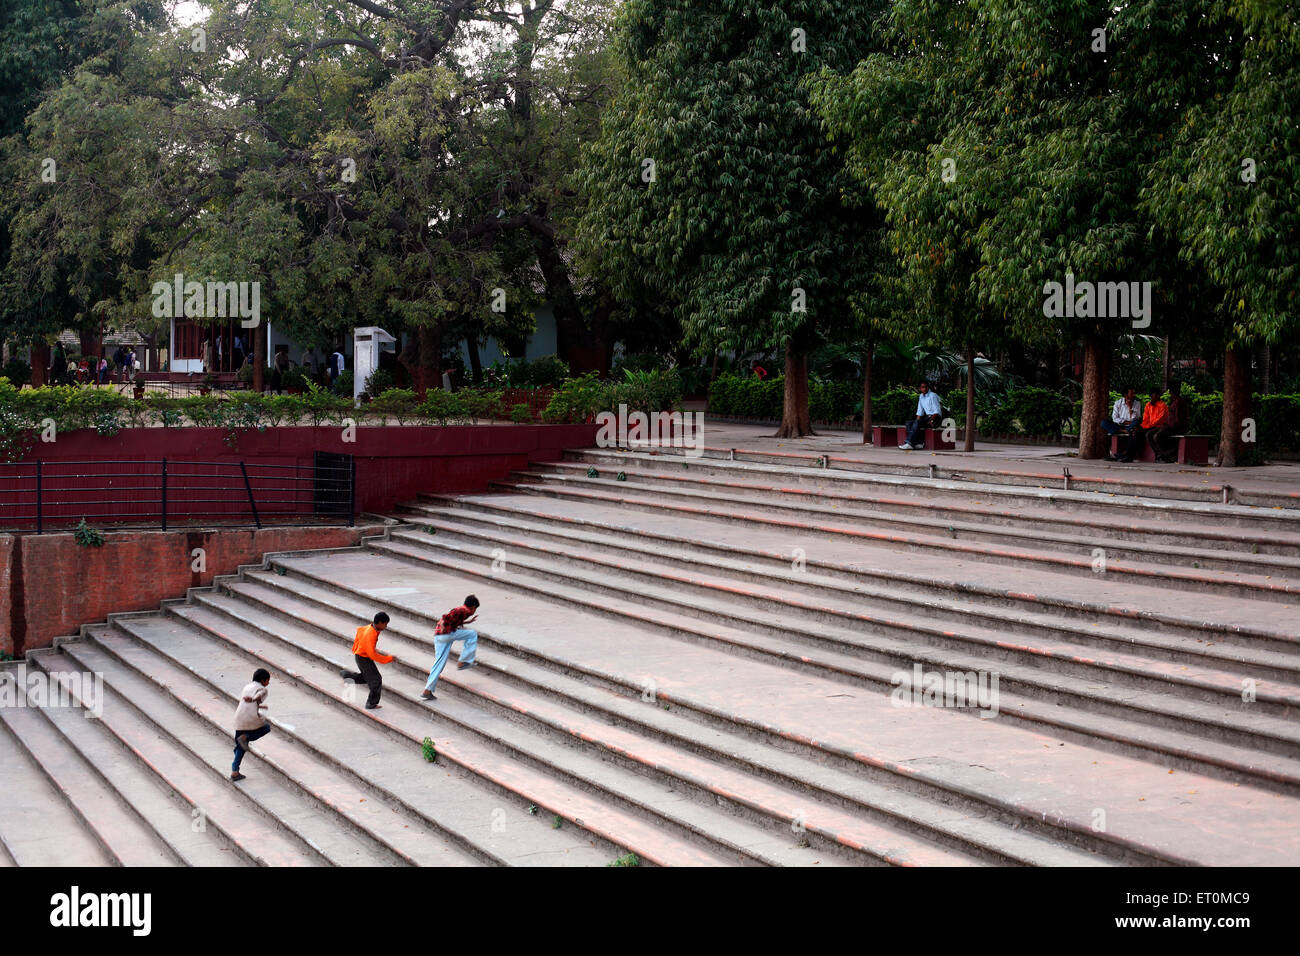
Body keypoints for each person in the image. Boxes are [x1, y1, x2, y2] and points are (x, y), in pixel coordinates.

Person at [420, 595, 481, 701]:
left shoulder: (462, 612)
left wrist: (468, 622)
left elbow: (453, 620)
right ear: (473, 607)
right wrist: (444, 625)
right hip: (447, 635)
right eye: (475, 609)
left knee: (439, 663)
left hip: (439, 637)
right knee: (472, 634)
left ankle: (427, 690)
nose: (474, 611)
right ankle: (464, 661)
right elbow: (447, 617)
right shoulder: (463, 610)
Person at [341, 611, 395, 709]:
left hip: (360, 655)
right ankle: (371, 703)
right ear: (379, 623)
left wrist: (365, 648)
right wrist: (388, 659)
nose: (386, 627)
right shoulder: (371, 634)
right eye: (385, 624)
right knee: (376, 680)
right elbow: (373, 655)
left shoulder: (369, 627)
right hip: (363, 658)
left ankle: (348, 676)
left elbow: (360, 633)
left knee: (368, 677)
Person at [231, 668, 272, 782]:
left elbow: (249, 702)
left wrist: (258, 705)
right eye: (268, 681)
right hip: (250, 719)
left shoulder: (247, 687)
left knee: (240, 747)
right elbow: (259, 694)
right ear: (263, 680)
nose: (268, 683)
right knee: (266, 728)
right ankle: (246, 737)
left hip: (239, 718)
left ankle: (235, 771)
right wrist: (253, 699)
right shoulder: (263, 689)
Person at [1120, 387, 1168, 462]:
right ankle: (1128, 455)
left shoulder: (1163, 406)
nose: (1151, 397)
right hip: (1148, 426)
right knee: (1133, 431)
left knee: (1140, 433)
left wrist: (1144, 427)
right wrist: (1141, 427)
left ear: (1158, 396)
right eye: (1151, 395)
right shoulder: (1148, 405)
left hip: (1158, 427)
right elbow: (1145, 419)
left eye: (1153, 395)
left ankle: (1129, 456)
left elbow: (1159, 420)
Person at [1151, 381, 1189, 463]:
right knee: (1149, 434)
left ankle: (1168, 455)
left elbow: (1177, 420)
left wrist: (1166, 426)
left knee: (1157, 436)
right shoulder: (1173, 402)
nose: (1170, 394)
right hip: (1169, 426)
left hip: (1177, 427)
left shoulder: (1179, 402)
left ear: (1172, 392)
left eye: (1170, 392)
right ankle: (1160, 454)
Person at [1102, 387, 1142, 460]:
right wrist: (1124, 422)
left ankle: (1126, 454)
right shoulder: (1118, 403)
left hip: (1131, 425)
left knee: (1135, 425)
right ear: (1126, 395)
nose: (1134, 395)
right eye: (1132, 393)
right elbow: (1115, 418)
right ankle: (1124, 431)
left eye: (1134, 393)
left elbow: (1136, 418)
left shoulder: (1137, 403)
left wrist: (1130, 407)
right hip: (1120, 426)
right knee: (1104, 423)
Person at [899, 382, 942, 450]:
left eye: (926, 387)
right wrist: (916, 421)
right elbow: (920, 412)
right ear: (920, 388)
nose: (924, 389)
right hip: (928, 418)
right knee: (909, 423)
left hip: (936, 418)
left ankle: (909, 443)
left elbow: (937, 411)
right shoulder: (921, 396)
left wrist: (931, 420)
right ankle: (917, 444)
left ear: (928, 387)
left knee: (917, 422)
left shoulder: (933, 395)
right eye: (922, 387)